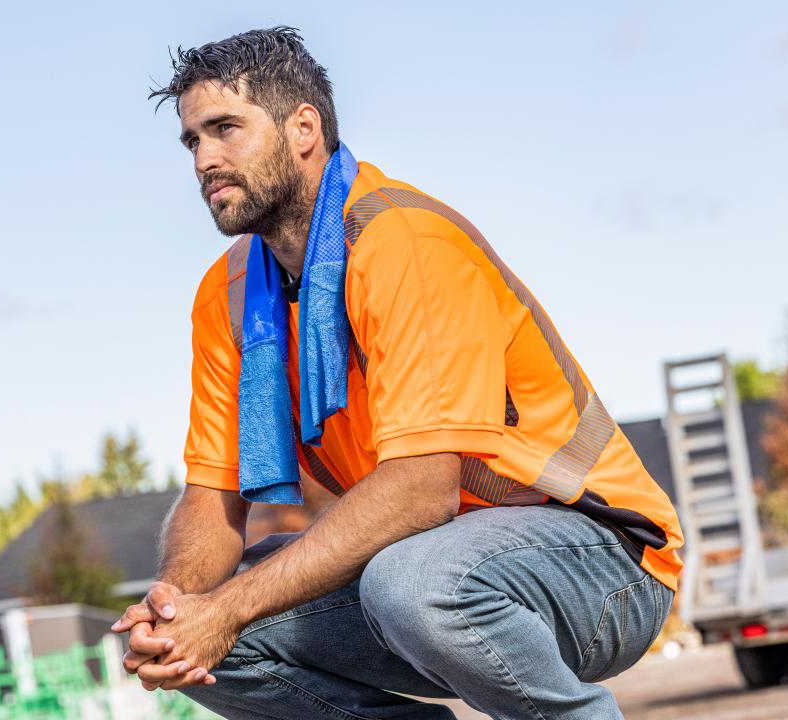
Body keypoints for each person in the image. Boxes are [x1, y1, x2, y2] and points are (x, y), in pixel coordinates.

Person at [111, 26, 683, 720]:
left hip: (602, 560)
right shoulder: (228, 297)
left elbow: (420, 493)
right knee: (205, 649)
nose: (204, 158)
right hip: (431, 567)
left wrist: (225, 608)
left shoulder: (407, 246)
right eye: (192, 140)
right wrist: (174, 610)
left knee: (404, 582)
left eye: (225, 129)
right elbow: (213, 495)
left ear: (303, 129)